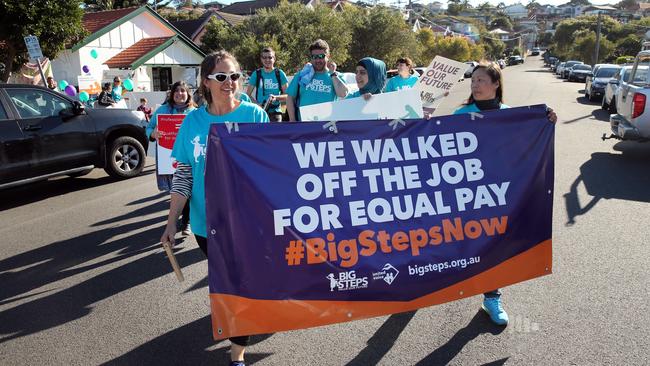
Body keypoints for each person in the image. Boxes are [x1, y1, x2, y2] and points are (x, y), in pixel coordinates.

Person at [160, 50, 269, 366]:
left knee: (240, 281)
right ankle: (240, 325)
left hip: (249, 222)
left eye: (234, 76)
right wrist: (171, 222)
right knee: (231, 280)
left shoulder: (254, 116)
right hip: (205, 223)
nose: (229, 83)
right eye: (221, 77)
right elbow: (183, 175)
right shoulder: (193, 122)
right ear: (206, 82)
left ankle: (237, 354)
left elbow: (270, 167)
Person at [453, 61, 557, 326]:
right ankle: (426, 288)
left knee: (494, 244)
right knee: (456, 244)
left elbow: (528, 144)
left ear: (496, 84)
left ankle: (492, 297)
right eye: (473, 81)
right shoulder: (460, 113)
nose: (475, 85)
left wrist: (545, 122)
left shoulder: (512, 115)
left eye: (481, 80)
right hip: (465, 195)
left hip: (498, 195)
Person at [146, 81, 197, 236]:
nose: (180, 93)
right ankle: (178, 218)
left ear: (188, 94)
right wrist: (152, 134)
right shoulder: (162, 110)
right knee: (175, 190)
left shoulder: (195, 112)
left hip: (189, 158)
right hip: (168, 158)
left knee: (188, 190)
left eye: (183, 90)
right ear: (172, 93)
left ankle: (187, 221)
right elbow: (148, 128)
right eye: (177, 90)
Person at [286, 39, 348, 121]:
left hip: (327, 126)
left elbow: (343, 94)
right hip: (304, 124)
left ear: (328, 56)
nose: (318, 60)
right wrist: (292, 120)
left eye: (321, 56)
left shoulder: (335, 76)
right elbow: (290, 97)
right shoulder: (302, 75)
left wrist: (333, 74)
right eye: (314, 57)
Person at [246, 47, 289, 122]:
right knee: (260, 134)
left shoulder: (280, 73)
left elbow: (288, 96)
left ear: (274, 59)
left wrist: (276, 97)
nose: (267, 60)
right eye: (264, 57)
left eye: (270, 57)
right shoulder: (256, 74)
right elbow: (248, 95)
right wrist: (257, 104)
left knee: (276, 134)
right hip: (260, 112)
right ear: (261, 59)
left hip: (276, 113)